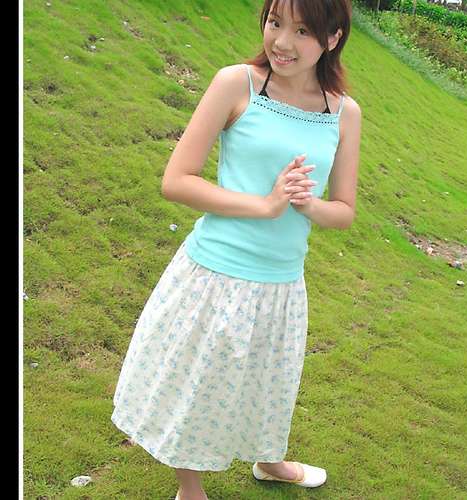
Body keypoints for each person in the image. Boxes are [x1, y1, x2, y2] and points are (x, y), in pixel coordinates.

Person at [111, 0, 361, 498]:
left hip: (283, 283)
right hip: (217, 274)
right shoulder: (237, 83)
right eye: (275, 23)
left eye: (302, 31)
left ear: (333, 38)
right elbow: (176, 180)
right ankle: (190, 489)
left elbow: (344, 210)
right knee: (200, 383)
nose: (282, 42)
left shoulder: (343, 112)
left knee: (269, 382)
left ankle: (269, 460)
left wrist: (308, 205)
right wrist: (265, 205)